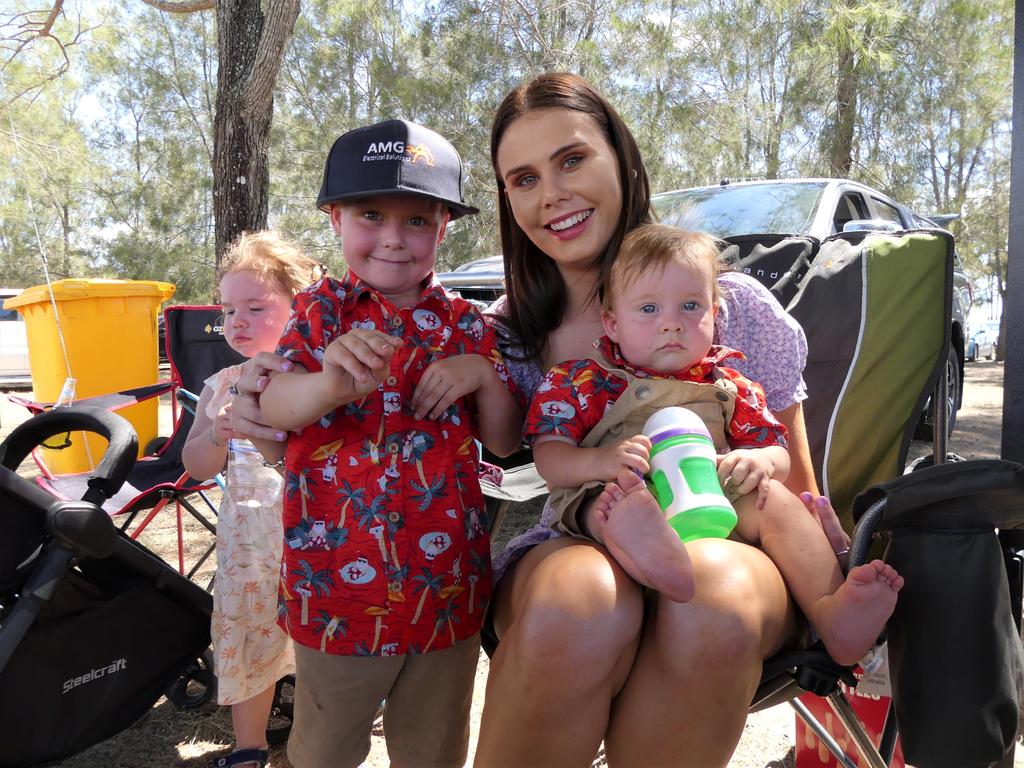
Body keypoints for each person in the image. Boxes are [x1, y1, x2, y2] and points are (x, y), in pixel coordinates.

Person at [473, 72, 854, 767]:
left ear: (621, 156)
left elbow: (790, 478)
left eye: (572, 159)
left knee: (713, 594)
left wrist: (710, 496)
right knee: (578, 600)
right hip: (574, 540)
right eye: (523, 179)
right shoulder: (507, 335)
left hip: (729, 540)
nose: (551, 193)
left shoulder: (726, 304)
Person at [255, 120, 521, 768]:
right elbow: (272, 404)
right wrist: (328, 385)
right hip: (334, 589)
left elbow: (506, 439)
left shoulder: (466, 324)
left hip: (446, 587)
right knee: (323, 748)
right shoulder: (319, 312)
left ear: (444, 229)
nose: (394, 240)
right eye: (371, 215)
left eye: (418, 221)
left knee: (433, 749)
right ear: (334, 218)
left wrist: (482, 375)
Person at [526, 221, 902, 664]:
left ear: (715, 311)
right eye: (648, 309)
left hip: (709, 494)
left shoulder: (731, 384)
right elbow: (549, 457)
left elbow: (776, 449)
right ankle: (652, 554)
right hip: (621, 489)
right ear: (611, 322)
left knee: (772, 500)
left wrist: (759, 461)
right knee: (610, 506)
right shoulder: (582, 381)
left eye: (690, 306)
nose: (671, 324)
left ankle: (832, 612)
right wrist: (599, 462)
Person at [182, 230, 322, 768]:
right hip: (247, 553)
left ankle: (318, 739)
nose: (235, 321)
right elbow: (195, 467)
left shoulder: (317, 380)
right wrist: (216, 434)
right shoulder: (221, 384)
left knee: (317, 647)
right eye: (228, 309)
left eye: (255, 307)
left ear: (301, 306)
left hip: (313, 540)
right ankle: (248, 749)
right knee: (247, 639)